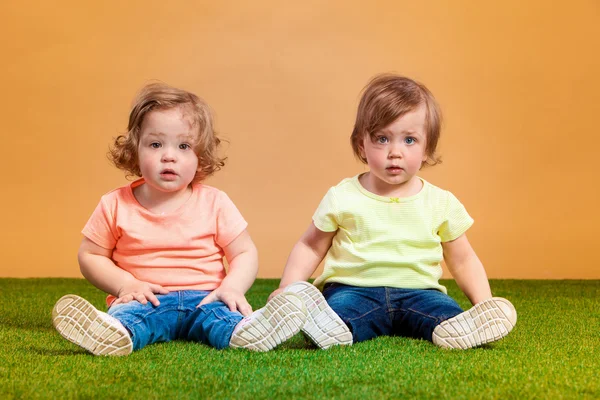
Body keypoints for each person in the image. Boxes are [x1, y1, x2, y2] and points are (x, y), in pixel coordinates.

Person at [52, 82, 306, 356]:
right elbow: (90, 256)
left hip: (207, 297)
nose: (169, 156)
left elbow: (244, 252)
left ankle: (249, 331)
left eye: (184, 146)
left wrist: (231, 287)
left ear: (201, 156)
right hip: (147, 298)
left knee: (224, 318)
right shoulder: (114, 204)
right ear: (135, 148)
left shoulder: (215, 202)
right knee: (132, 318)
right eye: (156, 144)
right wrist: (126, 284)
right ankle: (112, 332)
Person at [270, 74, 517, 349]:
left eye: (409, 140)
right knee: (341, 313)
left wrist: (483, 302)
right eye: (382, 139)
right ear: (361, 145)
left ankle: (464, 326)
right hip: (353, 290)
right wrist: (287, 288)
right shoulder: (342, 196)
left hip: (420, 293)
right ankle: (327, 326)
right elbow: (310, 247)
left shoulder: (441, 202)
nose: (395, 152)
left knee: (443, 314)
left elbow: (463, 260)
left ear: (427, 148)